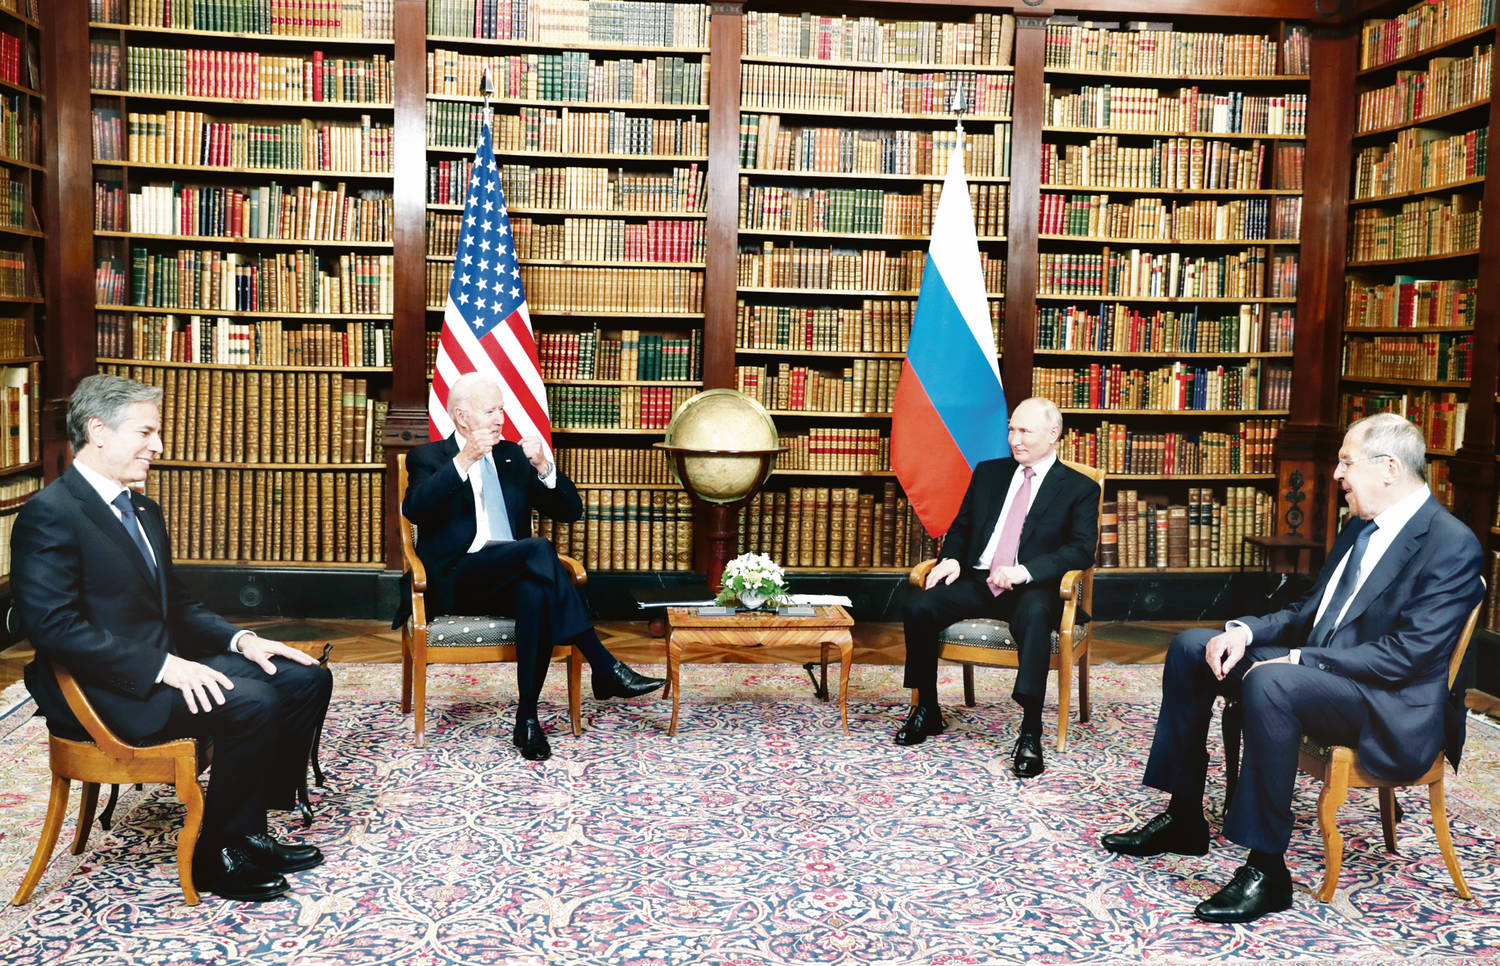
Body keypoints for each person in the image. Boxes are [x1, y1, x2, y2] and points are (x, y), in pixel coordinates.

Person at [1102, 412, 1484, 924]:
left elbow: (1407, 656)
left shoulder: (1451, 544)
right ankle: (1184, 816)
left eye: (1347, 462)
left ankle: (1266, 870)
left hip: (1388, 703)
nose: (1336, 474)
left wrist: (1301, 659)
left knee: (1273, 680)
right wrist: (1245, 632)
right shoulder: (1359, 528)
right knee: (1195, 647)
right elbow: (1310, 611)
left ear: (1389, 468)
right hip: (1327, 676)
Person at [12, 374, 332, 903]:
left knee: (302, 678)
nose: (157, 446)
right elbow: (53, 628)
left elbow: (176, 606)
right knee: (252, 701)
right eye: (145, 432)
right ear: (98, 431)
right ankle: (216, 857)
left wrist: (243, 641)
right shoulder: (50, 513)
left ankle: (249, 829)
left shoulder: (142, 509)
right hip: (106, 690)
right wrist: (164, 667)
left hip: (161, 666)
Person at [400, 372, 664, 762]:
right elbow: (415, 508)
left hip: (509, 579)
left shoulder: (511, 457)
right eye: (490, 411)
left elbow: (570, 511)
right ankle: (603, 664)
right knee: (539, 549)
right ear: (461, 416)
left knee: (536, 590)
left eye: (501, 409)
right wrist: (465, 459)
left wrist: (544, 467)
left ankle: (527, 720)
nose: (499, 419)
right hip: (456, 579)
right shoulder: (428, 457)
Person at [897, 396, 1099, 778]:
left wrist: (1025, 572)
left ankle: (1030, 731)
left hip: (1031, 588)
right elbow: (961, 527)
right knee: (918, 605)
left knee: (1036, 615)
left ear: (1053, 434)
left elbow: (1080, 550)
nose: (1014, 440)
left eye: (1025, 431)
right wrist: (952, 558)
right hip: (979, 580)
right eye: (1011, 430)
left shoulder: (1079, 488)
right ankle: (927, 708)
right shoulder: (989, 473)